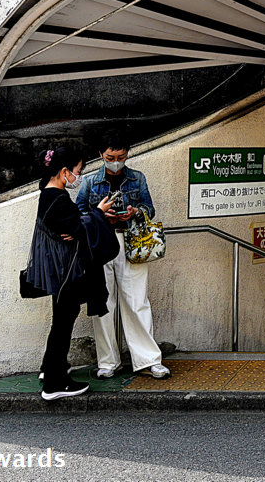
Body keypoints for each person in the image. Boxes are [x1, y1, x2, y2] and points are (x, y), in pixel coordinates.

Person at [75, 130, 171, 380]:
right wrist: (99, 214)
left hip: (131, 240)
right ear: (101, 155)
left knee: (137, 300)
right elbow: (80, 212)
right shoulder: (88, 181)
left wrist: (135, 212)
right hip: (100, 241)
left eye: (121, 156)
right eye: (110, 156)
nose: (116, 161)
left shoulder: (137, 178)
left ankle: (149, 359)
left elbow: (149, 207)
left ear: (127, 153)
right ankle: (108, 361)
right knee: (103, 302)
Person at [25, 146, 115, 400]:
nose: (80, 176)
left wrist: (83, 223)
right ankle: (54, 384)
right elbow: (75, 227)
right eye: (78, 171)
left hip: (57, 270)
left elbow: (75, 228)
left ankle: (51, 369)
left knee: (60, 321)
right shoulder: (59, 200)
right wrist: (98, 212)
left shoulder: (49, 194)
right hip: (67, 271)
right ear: (64, 172)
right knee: (63, 324)